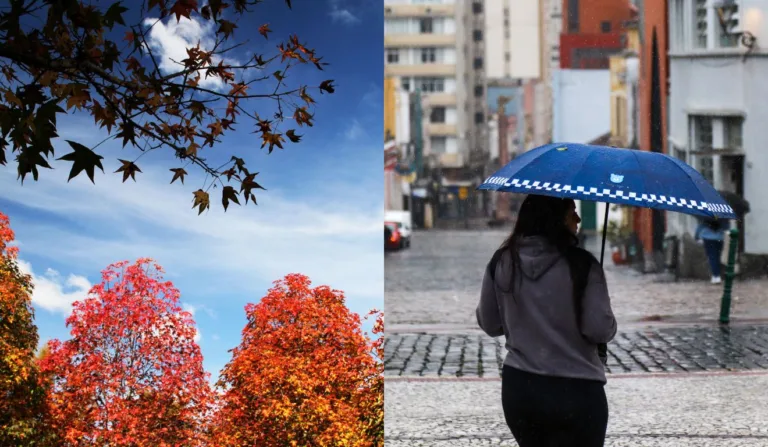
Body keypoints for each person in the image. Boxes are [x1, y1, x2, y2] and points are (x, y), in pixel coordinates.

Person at [476, 194, 617, 447]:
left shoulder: (502, 261)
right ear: (554, 219)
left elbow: (490, 323)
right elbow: (598, 329)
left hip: (522, 389)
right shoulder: (582, 266)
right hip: (577, 390)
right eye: (571, 211)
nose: (578, 217)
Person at [695, 217, 730, 284]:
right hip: (719, 238)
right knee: (717, 256)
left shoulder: (706, 215)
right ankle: (717, 274)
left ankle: (716, 275)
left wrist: (696, 236)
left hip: (708, 237)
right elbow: (726, 227)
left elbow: (700, 226)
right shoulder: (722, 215)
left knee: (712, 256)